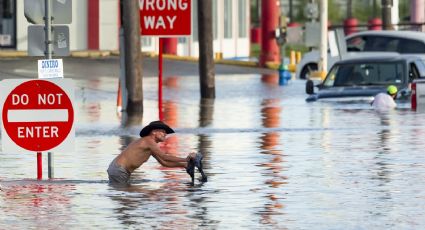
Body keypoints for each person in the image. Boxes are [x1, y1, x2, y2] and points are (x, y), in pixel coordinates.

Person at [107, 120, 199, 185]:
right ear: (154, 132)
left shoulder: (151, 145)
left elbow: (164, 162)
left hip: (120, 170)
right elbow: (164, 156)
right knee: (126, 196)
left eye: (165, 132)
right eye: (163, 131)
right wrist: (186, 159)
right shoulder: (148, 141)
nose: (165, 134)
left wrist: (184, 165)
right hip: (119, 170)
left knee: (127, 196)